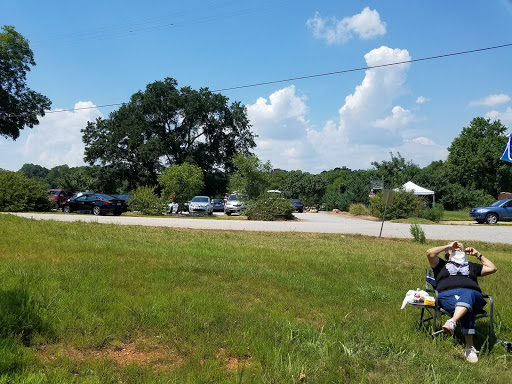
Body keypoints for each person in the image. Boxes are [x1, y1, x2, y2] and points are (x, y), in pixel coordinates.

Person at [426, 241, 497, 363]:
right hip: (447, 297)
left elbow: (493, 268)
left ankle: (452, 321)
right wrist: (448, 246)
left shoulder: (471, 266)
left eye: (460, 248)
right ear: (447, 253)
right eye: (454, 248)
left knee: (467, 294)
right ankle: (470, 347)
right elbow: (430, 253)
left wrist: (478, 255)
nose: (457, 249)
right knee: (466, 306)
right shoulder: (441, 265)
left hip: (473, 296)